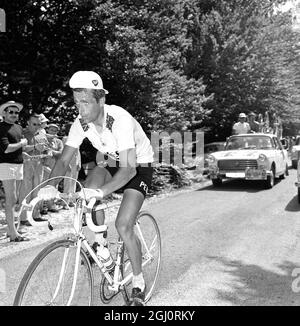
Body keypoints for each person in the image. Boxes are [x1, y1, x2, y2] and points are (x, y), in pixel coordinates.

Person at [43, 71, 154, 306]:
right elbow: (63, 161)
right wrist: (49, 188)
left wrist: (101, 193)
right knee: (89, 186)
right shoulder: (81, 123)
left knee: (123, 225)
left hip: (137, 167)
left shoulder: (119, 119)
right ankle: (101, 246)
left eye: (85, 102)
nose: (80, 109)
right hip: (111, 163)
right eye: (76, 103)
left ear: (100, 100)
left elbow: (129, 170)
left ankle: (138, 283)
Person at [0, 100, 29, 242]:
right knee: (11, 199)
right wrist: (22, 144)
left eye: (16, 112)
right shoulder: (1, 128)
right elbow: (6, 148)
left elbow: (18, 148)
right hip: (6, 165)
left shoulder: (18, 127)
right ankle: (12, 233)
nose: (14, 114)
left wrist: (27, 150)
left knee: (15, 199)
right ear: (4, 113)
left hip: (19, 165)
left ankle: (12, 229)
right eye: (10, 112)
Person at [18, 113, 50, 225]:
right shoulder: (22, 133)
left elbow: (46, 148)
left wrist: (48, 152)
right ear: (28, 123)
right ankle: (23, 218)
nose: (37, 126)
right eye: (34, 124)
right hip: (26, 164)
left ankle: (35, 214)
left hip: (39, 164)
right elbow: (20, 149)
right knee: (26, 190)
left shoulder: (42, 134)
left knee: (37, 189)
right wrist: (35, 147)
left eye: (39, 124)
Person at [42, 123, 64, 212]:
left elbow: (61, 153)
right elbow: (42, 153)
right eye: (51, 130)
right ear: (47, 130)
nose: (53, 132)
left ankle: (51, 205)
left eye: (55, 130)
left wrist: (51, 151)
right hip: (44, 166)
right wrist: (54, 152)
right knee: (43, 187)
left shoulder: (59, 142)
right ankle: (42, 207)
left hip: (55, 167)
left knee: (53, 186)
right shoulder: (42, 140)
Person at [62, 123, 81, 199]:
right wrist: (66, 164)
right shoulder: (65, 138)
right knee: (67, 180)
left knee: (74, 180)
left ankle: (72, 200)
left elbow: (78, 151)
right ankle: (65, 200)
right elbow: (63, 151)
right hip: (69, 161)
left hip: (75, 162)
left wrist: (79, 162)